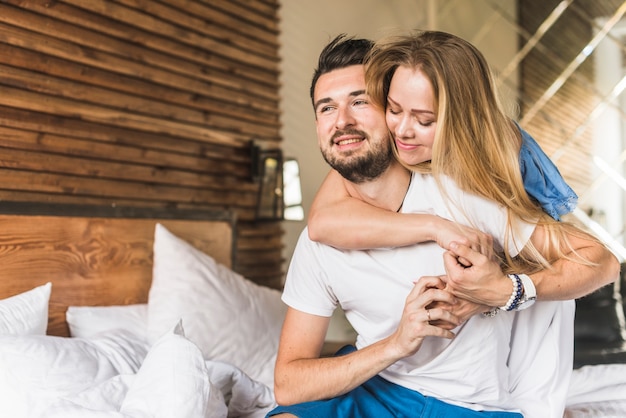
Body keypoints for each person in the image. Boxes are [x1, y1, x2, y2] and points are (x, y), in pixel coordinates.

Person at [268, 33, 619, 418]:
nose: (342, 121)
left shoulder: (465, 194)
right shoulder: (320, 238)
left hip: (472, 405)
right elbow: (288, 385)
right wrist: (397, 343)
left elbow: (598, 260)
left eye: (359, 101)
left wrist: (504, 289)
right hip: (381, 386)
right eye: (326, 108)